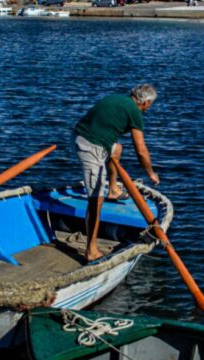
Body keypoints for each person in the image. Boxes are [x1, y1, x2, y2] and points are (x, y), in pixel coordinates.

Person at [73, 84, 160, 263]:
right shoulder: (135, 111)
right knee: (96, 199)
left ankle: (113, 190)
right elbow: (141, 149)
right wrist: (150, 173)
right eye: (150, 105)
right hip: (90, 147)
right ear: (146, 102)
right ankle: (91, 250)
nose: (148, 109)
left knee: (117, 149)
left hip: (81, 135)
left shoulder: (118, 99)